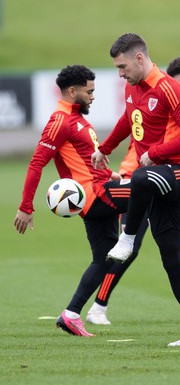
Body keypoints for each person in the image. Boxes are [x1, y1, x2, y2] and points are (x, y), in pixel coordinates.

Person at [87, 56, 180, 325]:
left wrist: (178, 184)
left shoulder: (170, 101)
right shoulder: (157, 95)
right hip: (138, 180)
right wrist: (106, 149)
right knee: (132, 246)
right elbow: (138, 132)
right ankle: (98, 305)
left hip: (164, 177)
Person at [14, 64, 134, 337]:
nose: (93, 96)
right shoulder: (60, 121)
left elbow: (82, 160)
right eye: (89, 91)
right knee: (153, 191)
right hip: (94, 194)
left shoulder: (78, 118)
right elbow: (36, 164)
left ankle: (70, 314)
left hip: (100, 188)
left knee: (103, 261)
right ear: (72, 91)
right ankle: (175, 249)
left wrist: (111, 173)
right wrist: (25, 207)